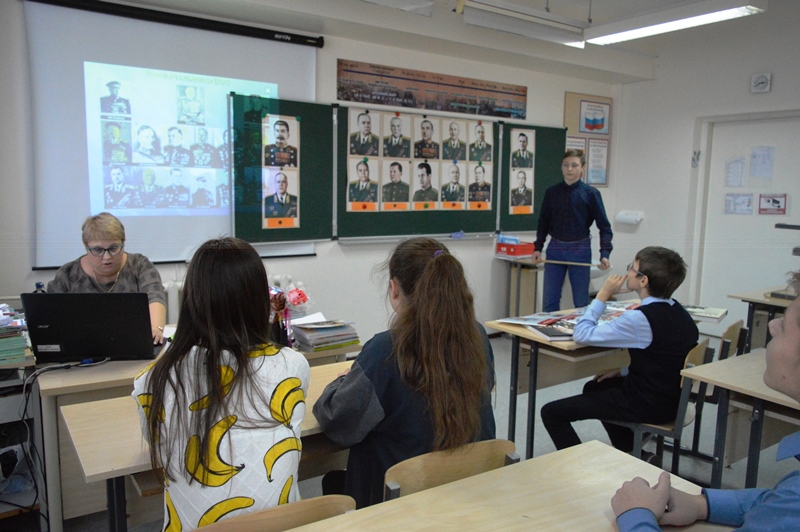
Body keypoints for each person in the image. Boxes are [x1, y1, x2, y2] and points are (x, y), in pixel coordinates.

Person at [133, 237, 310, 530]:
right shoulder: (293, 365)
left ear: (191, 300)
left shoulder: (153, 380)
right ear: (259, 301)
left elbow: (157, 441)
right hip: (280, 526)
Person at [313, 237, 497, 508]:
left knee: (336, 480)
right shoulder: (477, 336)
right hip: (466, 493)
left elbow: (337, 420)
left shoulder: (384, 351)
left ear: (394, 288)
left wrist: (343, 379)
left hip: (398, 505)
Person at [611, 270, 800, 531]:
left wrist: (636, 516)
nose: (772, 325)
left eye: (787, 324)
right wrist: (703, 504)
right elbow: (778, 502)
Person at [540, 246, 699, 457]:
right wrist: (623, 371)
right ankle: (634, 453)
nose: (628, 272)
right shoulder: (678, 311)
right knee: (595, 387)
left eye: (632, 268)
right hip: (672, 400)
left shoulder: (639, 319)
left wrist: (602, 295)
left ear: (643, 281)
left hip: (647, 404)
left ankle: (578, 467)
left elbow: (582, 334)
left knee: (551, 413)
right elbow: (665, 360)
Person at [47, 212, 166, 344]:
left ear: (123, 244)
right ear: (86, 247)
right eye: (98, 250)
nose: (107, 257)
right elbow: (51, 317)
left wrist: (155, 328)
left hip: (132, 343)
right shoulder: (67, 275)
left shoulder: (139, 265)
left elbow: (155, 297)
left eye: (114, 248)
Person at [533, 149, 613, 312]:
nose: (569, 169)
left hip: (580, 248)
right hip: (555, 247)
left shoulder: (590, 194)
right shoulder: (552, 192)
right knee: (550, 300)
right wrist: (538, 247)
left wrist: (604, 254)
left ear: (582, 167)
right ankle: (549, 328)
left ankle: (583, 328)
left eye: (574, 165)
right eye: (566, 165)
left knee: (581, 301)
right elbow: (543, 222)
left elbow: (604, 226)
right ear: (561, 167)